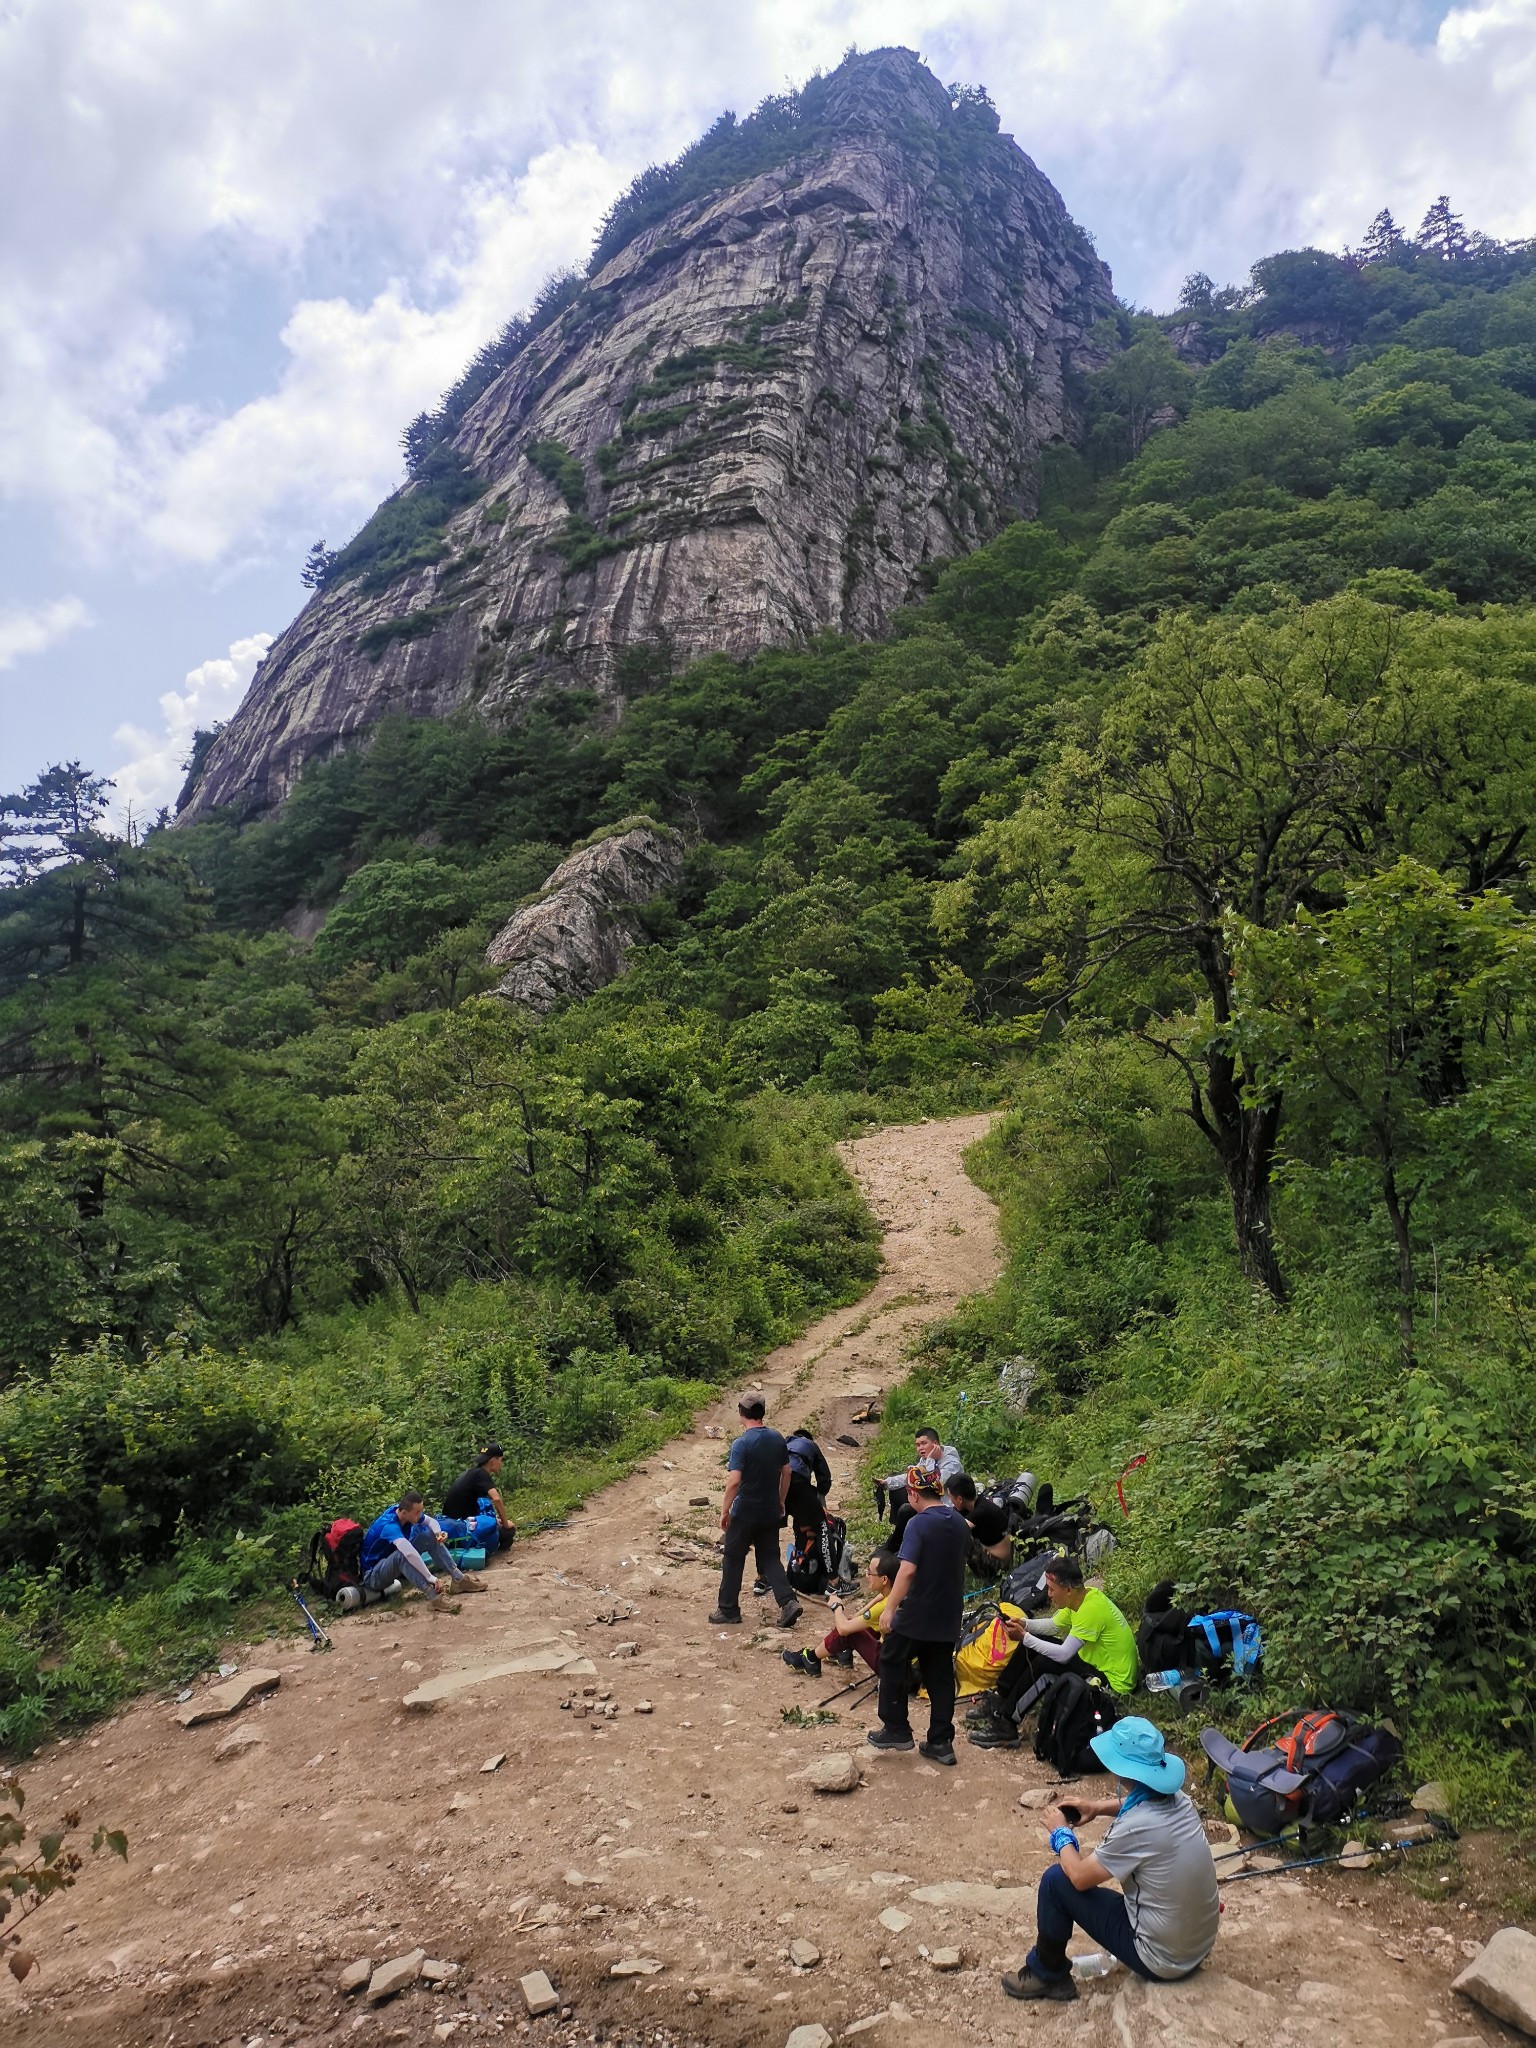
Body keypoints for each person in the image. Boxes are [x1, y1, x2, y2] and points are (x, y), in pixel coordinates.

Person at [1000, 1717, 1219, 2001]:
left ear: (1121, 1769)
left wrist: (1061, 1834)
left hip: (1162, 1960)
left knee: (1056, 1882)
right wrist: (1097, 1807)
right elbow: (1142, 1803)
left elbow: (1078, 1877)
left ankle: (1047, 1973)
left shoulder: (1136, 1827)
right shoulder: (1181, 1801)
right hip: (1197, 1946)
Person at [967, 1553, 1137, 1748]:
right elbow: (1054, 1626)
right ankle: (1002, 1698)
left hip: (1112, 1683)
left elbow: (1064, 1655)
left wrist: (1024, 1636)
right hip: (1095, 1666)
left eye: (1051, 1589)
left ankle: (1007, 1723)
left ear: (1068, 1589)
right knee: (1033, 1644)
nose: (1048, 1594)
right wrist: (1024, 1624)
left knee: (1045, 1665)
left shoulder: (1091, 1610)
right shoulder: (1081, 1597)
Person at [867, 1464, 968, 1766]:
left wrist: (891, 1608)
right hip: (949, 1611)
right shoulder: (959, 1522)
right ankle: (941, 1742)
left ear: (913, 1493)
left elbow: (908, 1569)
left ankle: (896, 1728)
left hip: (918, 1610)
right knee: (939, 1674)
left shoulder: (918, 1524)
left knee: (891, 1659)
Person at [709, 1394, 802, 1629]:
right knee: (770, 1558)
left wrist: (724, 1510)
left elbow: (734, 1482)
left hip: (745, 1511)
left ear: (741, 1413)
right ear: (762, 1412)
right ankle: (788, 1602)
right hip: (769, 1509)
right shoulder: (777, 1438)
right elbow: (787, 1472)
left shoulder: (741, 1444)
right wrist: (780, 1501)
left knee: (733, 1557)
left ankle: (728, 1609)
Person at [782, 1547, 896, 1679]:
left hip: (890, 1668)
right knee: (860, 1625)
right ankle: (841, 1651)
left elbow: (843, 1629)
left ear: (884, 1579)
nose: (867, 1576)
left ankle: (810, 1659)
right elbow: (880, 1598)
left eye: (870, 1573)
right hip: (902, 1662)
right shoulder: (897, 1594)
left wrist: (837, 1606)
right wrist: (860, 1612)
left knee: (850, 1631)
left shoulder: (884, 1608)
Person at [361, 1492, 487, 1609]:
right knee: (402, 1555)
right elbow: (408, 1553)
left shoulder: (402, 1512)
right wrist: (430, 1578)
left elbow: (431, 1521)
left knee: (430, 1536)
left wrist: (438, 1533)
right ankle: (434, 1597)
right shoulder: (389, 1526)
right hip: (373, 1577)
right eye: (417, 1512)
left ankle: (459, 1580)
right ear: (405, 1512)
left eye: (421, 1511)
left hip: (389, 1565)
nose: (420, 1515)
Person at [883, 1428, 963, 1541]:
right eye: (917, 1445)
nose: (920, 1448)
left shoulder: (951, 1462)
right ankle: (899, 1531)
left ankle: (898, 1541)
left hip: (946, 1506)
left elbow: (932, 1483)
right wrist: (887, 1482)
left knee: (906, 1510)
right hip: (928, 1500)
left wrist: (930, 1459)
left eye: (924, 1443)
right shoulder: (925, 1459)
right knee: (897, 1490)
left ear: (935, 1444)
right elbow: (913, 1476)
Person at [439, 1443, 516, 1553]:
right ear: (493, 1460)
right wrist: (506, 1523)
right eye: (500, 1460)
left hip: (452, 1525)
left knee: (496, 1524)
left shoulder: (471, 1473)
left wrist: (494, 1520)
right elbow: (496, 1499)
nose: (501, 1464)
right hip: (462, 1528)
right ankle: (489, 1549)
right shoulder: (481, 1475)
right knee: (508, 1532)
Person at [947, 1472, 1012, 1578]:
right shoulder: (978, 1503)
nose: (951, 1501)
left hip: (998, 1565)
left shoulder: (981, 1511)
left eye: (951, 1498)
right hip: (993, 1553)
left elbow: (955, 1532)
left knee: (962, 1540)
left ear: (959, 1499)